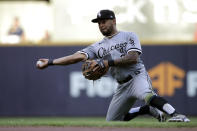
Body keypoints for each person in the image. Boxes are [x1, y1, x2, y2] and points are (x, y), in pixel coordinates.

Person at [36, 9, 190, 122]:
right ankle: (147, 110)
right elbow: (76, 57)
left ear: (114, 21)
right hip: (122, 86)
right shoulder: (97, 46)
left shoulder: (129, 35)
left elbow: (133, 58)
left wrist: (107, 62)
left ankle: (176, 115)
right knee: (112, 121)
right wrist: (50, 62)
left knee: (147, 95)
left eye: (104, 21)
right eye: (99, 23)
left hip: (136, 76)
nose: (101, 25)